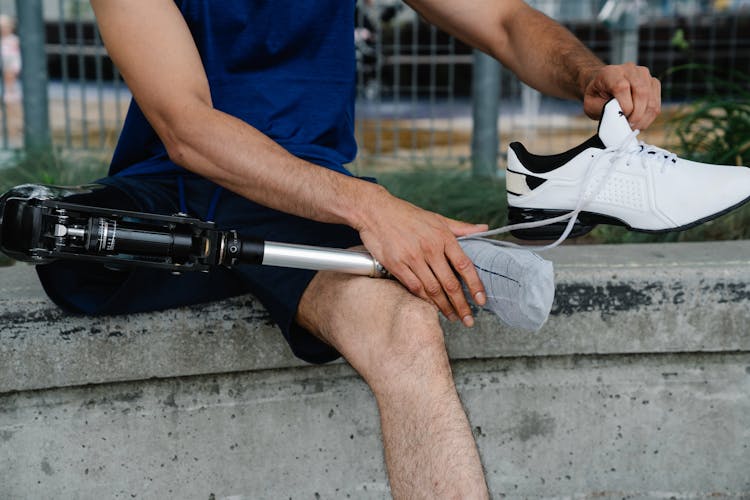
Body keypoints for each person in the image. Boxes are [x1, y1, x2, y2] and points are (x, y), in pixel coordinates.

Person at [38, 1, 661, 497]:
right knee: (52, 232)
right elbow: (186, 126)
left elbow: (501, 18)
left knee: (407, 328)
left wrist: (588, 73)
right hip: (180, 194)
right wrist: (373, 209)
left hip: (312, 200)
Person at [0, 14, 21, 104]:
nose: (3, 29)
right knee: (6, 78)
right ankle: (9, 92)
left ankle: (10, 92)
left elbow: (16, 53)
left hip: (12, 62)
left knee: (10, 77)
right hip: (4, 62)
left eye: (5, 27)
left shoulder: (14, 39)